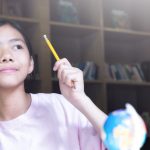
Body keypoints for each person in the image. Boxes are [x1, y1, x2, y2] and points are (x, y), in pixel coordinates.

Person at [0, 19, 107, 150]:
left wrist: (80, 99)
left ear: (31, 64)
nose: (6, 56)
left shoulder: (63, 107)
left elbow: (126, 144)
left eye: (17, 46)